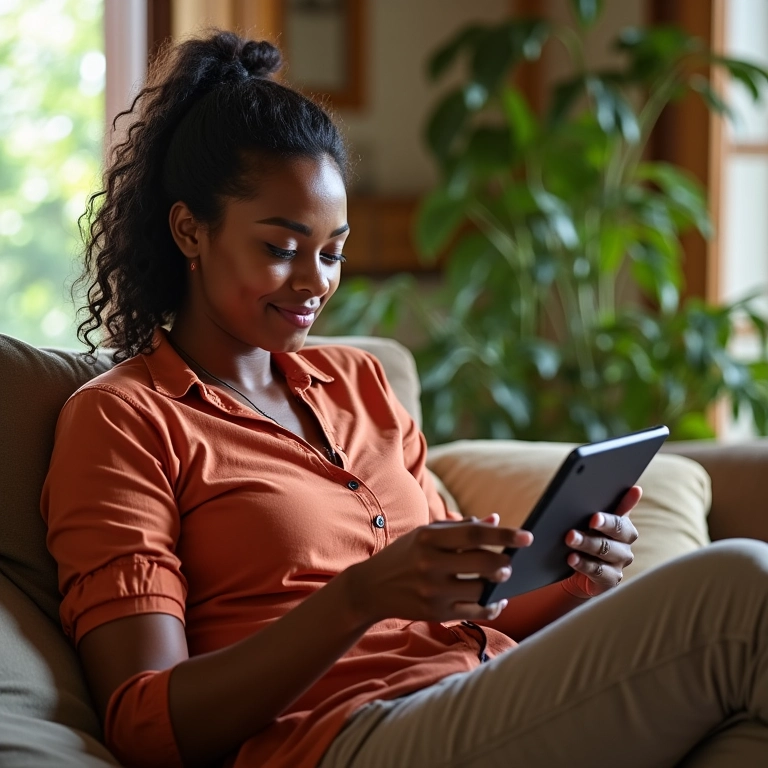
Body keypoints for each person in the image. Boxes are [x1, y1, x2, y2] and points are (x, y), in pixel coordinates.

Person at [41, 30, 768, 768]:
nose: (317, 282)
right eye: (282, 249)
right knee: (741, 584)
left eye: (332, 251)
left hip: (476, 696)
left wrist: (578, 580)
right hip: (342, 738)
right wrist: (357, 599)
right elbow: (145, 722)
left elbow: (473, 612)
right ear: (190, 231)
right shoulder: (125, 419)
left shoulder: (359, 382)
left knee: (744, 732)